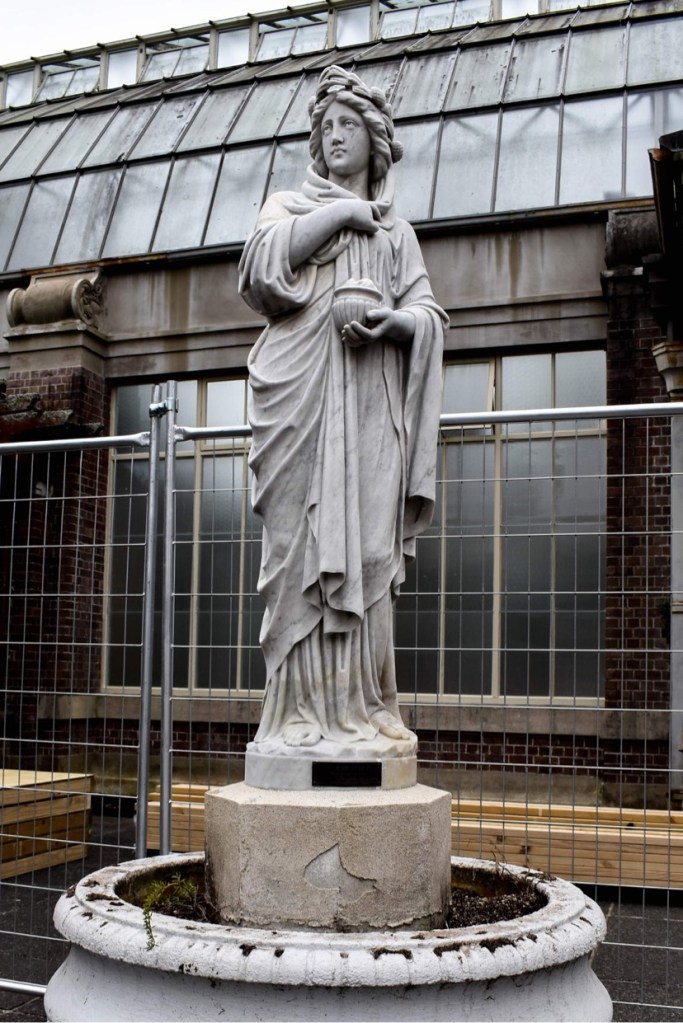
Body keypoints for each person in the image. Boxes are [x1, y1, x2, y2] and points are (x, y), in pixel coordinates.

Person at [239, 65, 447, 756]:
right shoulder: (288, 206)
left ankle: (367, 706)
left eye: (348, 125)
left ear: (373, 139)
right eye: (326, 126)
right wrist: (341, 215)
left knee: (369, 551)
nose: (334, 136)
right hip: (299, 403)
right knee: (298, 555)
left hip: (370, 404)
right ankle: (296, 714)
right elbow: (258, 272)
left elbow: (428, 313)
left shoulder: (397, 235)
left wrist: (395, 323)